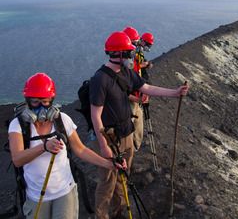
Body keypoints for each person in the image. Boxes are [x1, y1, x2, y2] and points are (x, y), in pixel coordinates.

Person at [90, 31, 189, 219]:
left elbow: (146, 88)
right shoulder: (100, 80)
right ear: (117, 54)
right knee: (107, 183)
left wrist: (175, 92)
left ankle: (120, 211)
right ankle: (102, 216)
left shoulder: (126, 72)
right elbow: (96, 115)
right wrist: (104, 146)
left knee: (123, 178)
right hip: (110, 139)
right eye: (127, 53)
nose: (131, 56)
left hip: (126, 133)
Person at [8, 73, 126, 219]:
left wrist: (109, 164)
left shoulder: (62, 120)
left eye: (45, 102)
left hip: (65, 193)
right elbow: (18, 159)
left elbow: (81, 149)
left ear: (51, 101)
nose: (40, 107)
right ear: (27, 101)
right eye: (35, 102)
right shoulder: (18, 125)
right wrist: (44, 147)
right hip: (36, 197)